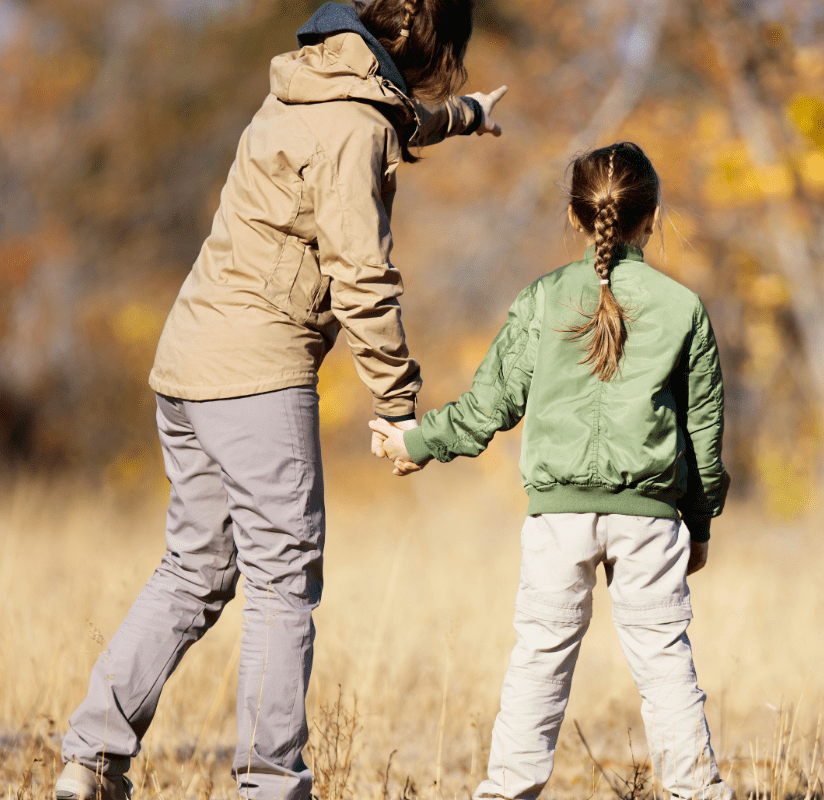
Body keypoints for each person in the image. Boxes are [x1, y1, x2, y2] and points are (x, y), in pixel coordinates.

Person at [55, 1, 506, 798]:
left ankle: (90, 757)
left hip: (190, 359)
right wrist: (400, 406)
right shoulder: (352, 127)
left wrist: (461, 117)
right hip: (255, 371)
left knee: (194, 568)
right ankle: (271, 783)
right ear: (417, 33)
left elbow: (387, 119)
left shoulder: (305, 85)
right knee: (282, 577)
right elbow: (362, 279)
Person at [371, 142, 734, 800]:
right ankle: (699, 794)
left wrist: (418, 442)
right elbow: (703, 431)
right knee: (665, 668)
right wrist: (700, 522)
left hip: (556, 519)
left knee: (538, 663)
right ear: (651, 218)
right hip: (649, 520)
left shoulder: (542, 299)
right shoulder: (683, 309)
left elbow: (490, 405)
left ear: (575, 217)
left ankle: (505, 793)